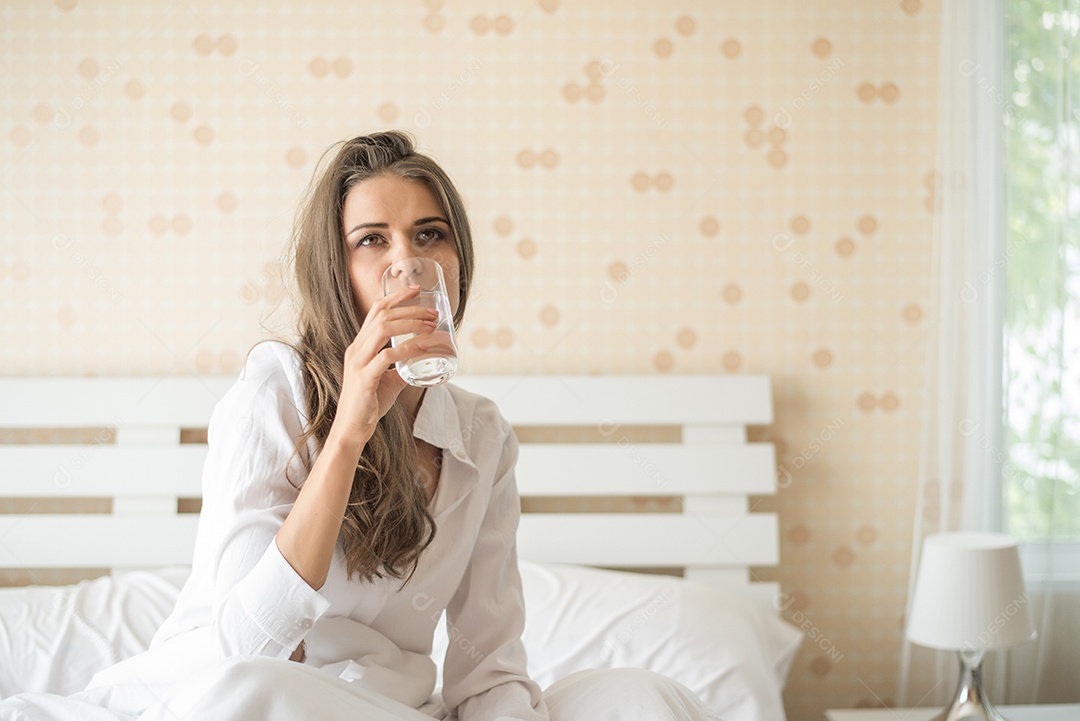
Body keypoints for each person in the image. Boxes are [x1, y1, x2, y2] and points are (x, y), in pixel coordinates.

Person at [0, 131, 721, 721]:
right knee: (261, 692)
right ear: (336, 270)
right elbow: (247, 645)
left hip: (391, 709)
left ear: (458, 262)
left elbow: (489, 672)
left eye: (429, 235)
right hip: (235, 692)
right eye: (372, 240)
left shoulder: (483, 435)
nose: (407, 262)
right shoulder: (275, 391)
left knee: (642, 697)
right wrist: (348, 431)